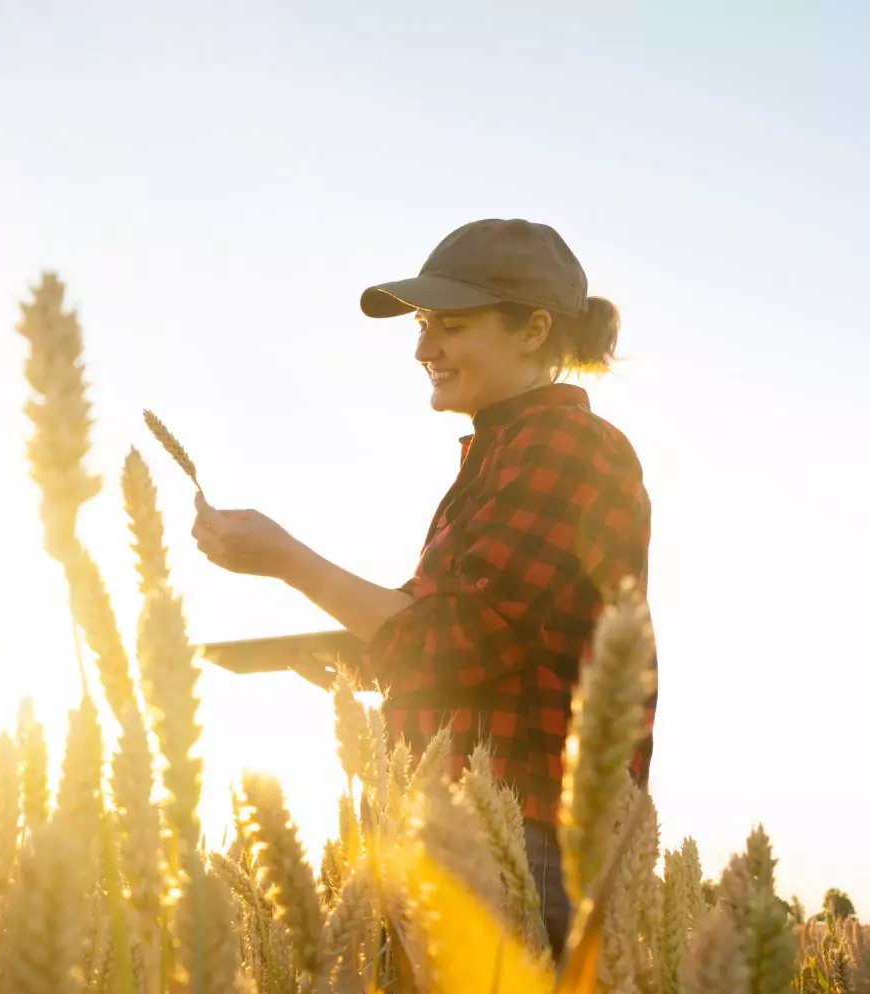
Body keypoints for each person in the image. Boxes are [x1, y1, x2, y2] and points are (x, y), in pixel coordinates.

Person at [190, 218, 655, 955]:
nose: (422, 348)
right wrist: (359, 661)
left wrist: (288, 560)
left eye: (451, 325)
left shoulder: (565, 447)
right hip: (471, 829)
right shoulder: (501, 454)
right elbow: (453, 640)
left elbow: (457, 641)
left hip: (524, 840)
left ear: (533, 330)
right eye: (421, 325)